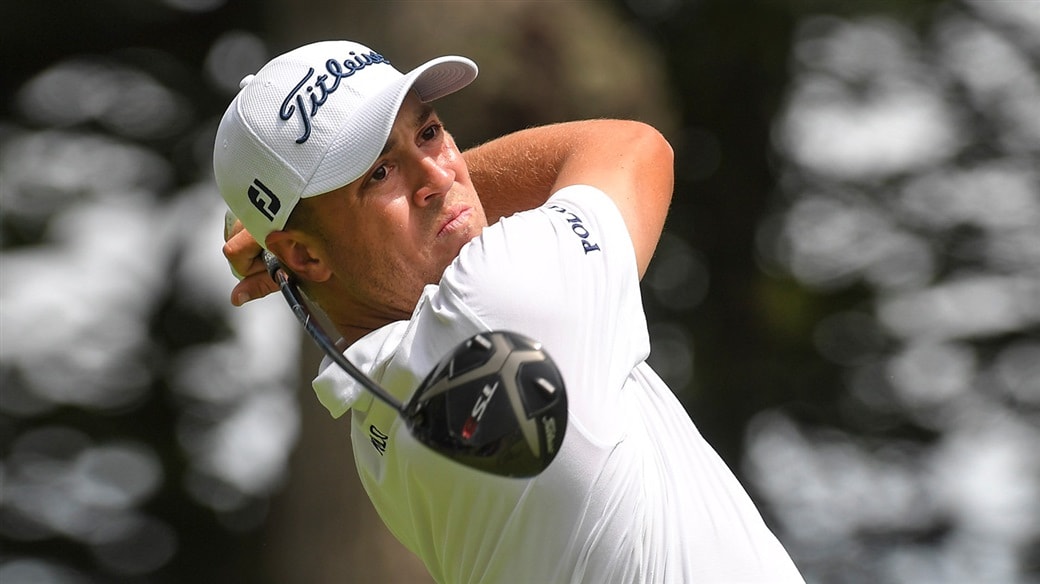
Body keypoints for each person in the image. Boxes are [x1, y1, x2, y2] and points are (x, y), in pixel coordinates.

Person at [215, 39, 804, 583]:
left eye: (429, 132)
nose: (441, 172)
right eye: (379, 173)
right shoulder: (494, 303)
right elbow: (631, 148)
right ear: (305, 257)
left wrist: (313, 242)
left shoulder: (374, 426)